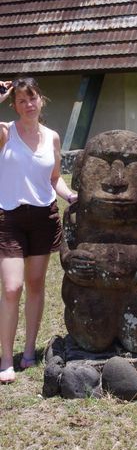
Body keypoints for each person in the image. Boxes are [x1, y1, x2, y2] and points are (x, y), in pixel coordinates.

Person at [0, 77, 77, 383]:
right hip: (10, 219)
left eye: (32, 98)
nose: (28, 104)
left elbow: (54, 177)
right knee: (11, 287)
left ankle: (29, 350)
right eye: (21, 100)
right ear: (13, 104)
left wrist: (69, 194)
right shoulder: (5, 132)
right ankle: (7, 357)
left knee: (35, 285)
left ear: (41, 100)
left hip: (44, 217)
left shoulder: (52, 137)